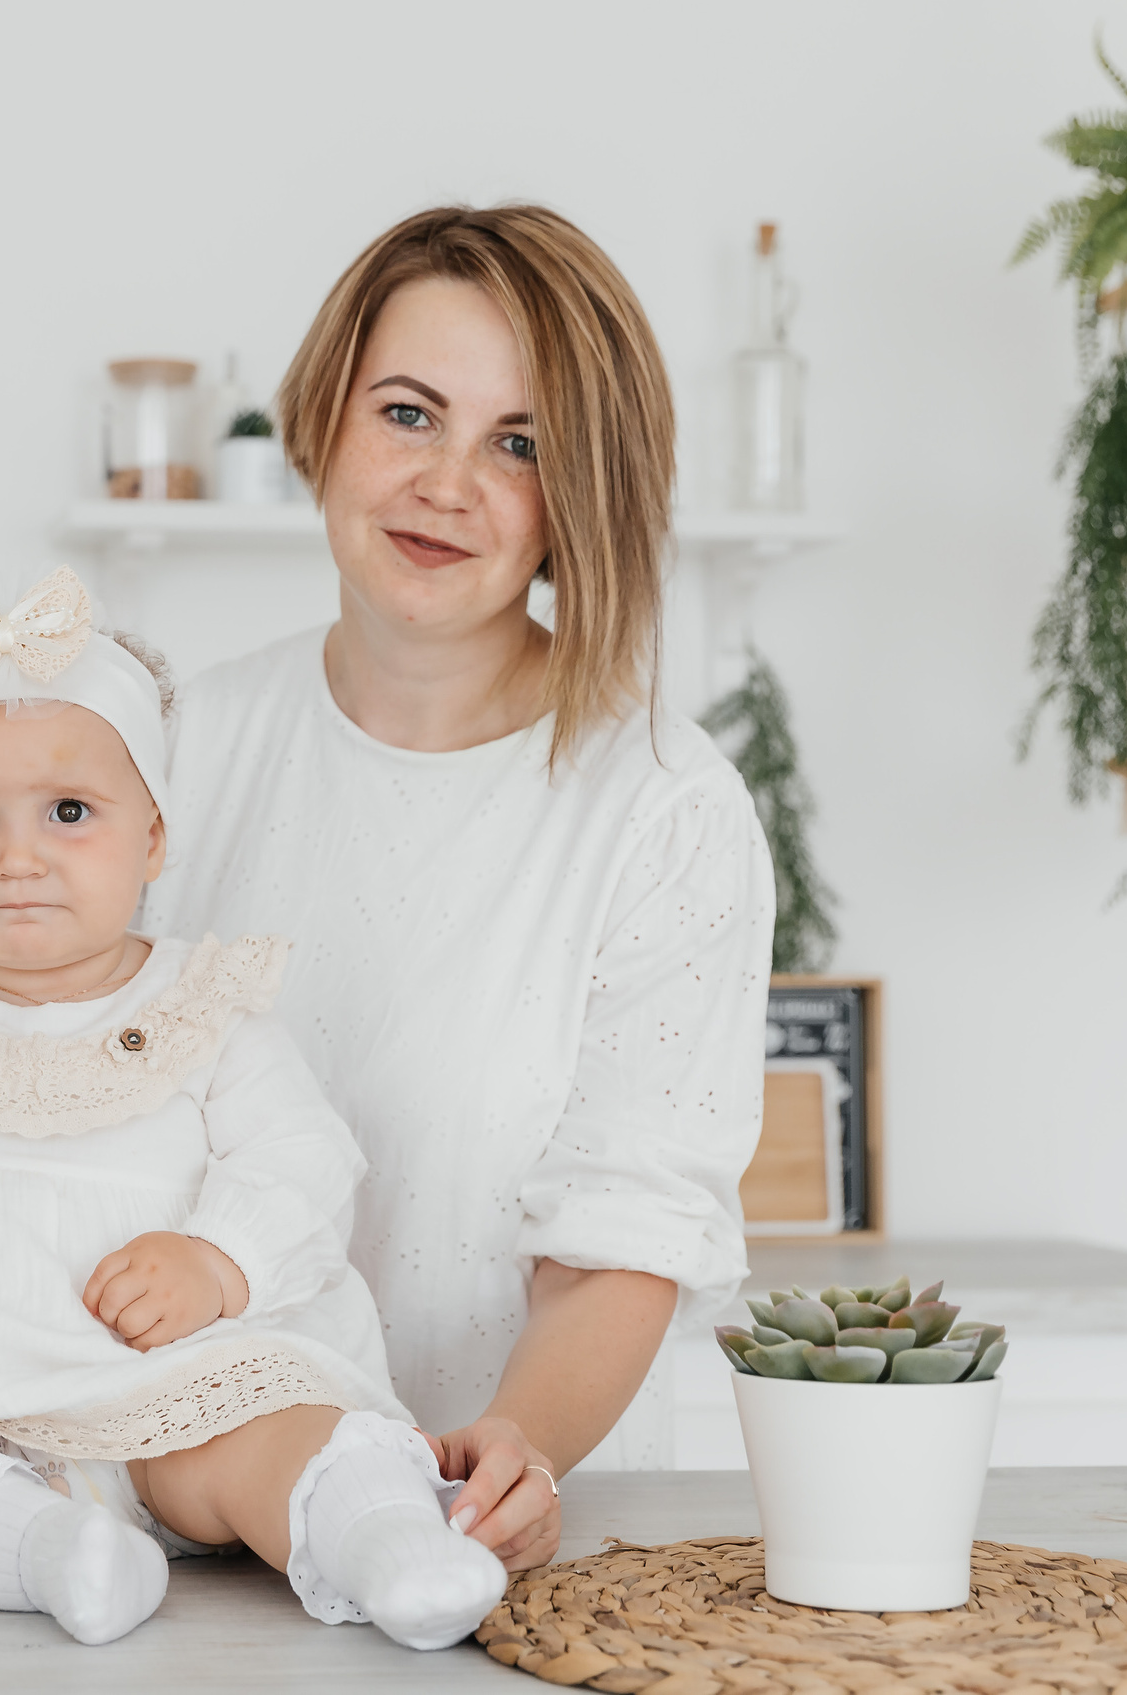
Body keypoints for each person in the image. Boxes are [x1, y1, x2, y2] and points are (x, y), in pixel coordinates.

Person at [0, 568, 508, 1651]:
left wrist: (217, 1262)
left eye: (69, 812)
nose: (17, 856)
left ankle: (387, 1544)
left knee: (281, 1427)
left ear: (153, 839)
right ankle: (47, 1552)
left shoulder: (205, 1007)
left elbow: (304, 1161)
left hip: (172, 1382)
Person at [144, 205, 777, 1572]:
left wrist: (511, 1446)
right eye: (410, 413)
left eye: (521, 443)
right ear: (324, 418)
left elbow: (621, 1231)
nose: (448, 483)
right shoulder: (174, 750)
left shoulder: (664, 804)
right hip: (183, 1538)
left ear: (581, 496)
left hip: (494, 1541)